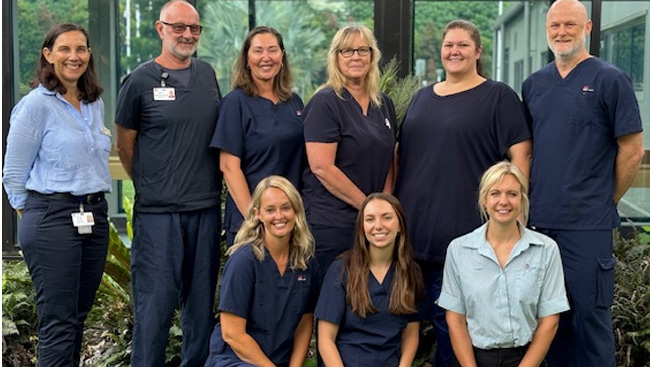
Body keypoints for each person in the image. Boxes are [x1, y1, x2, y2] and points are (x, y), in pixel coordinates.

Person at [393, 19, 532, 367]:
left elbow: (520, 158)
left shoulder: (498, 97)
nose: (454, 51)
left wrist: (516, 217)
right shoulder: (422, 97)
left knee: (452, 334)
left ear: (478, 51)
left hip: (464, 241)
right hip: (411, 239)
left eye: (463, 45)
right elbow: (401, 157)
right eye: (449, 45)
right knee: (401, 329)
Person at [521, 1, 644, 366]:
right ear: (547, 29)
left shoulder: (609, 79)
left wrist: (608, 199)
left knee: (590, 317)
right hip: (540, 223)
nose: (562, 32)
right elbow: (526, 152)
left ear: (587, 27)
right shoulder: (534, 85)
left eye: (570, 25)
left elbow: (633, 150)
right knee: (548, 320)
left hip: (587, 223)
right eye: (555, 25)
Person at [114, 1, 222, 366]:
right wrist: (152, 182)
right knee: (154, 309)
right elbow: (125, 144)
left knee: (200, 311)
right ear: (160, 29)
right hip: (159, 216)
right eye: (178, 27)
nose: (187, 34)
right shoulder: (139, 81)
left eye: (194, 28)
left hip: (205, 211)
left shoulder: (207, 75)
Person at [2, 23, 111, 367]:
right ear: (48, 55)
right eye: (64, 49)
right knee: (59, 323)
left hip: (94, 216)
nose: (74, 57)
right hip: (52, 219)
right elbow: (13, 175)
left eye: (81, 49)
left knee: (78, 317)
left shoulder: (94, 103)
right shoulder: (35, 106)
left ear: (89, 55)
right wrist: (38, 217)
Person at [438, 161, 570, 367]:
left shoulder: (545, 249)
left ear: (523, 200)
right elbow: (455, 319)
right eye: (495, 193)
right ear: (484, 200)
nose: (503, 201)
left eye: (512, 194)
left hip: (526, 359)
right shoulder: (459, 250)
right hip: (474, 359)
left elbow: (550, 320)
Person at [302, 25, 397, 274]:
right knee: (331, 302)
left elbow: (389, 157)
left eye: (362, 50)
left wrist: (383, 206)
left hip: (373, 225)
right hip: (332, 224)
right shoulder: (326, 102)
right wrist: (369, 206)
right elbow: (322, 167)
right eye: (347, 51)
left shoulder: (383, 103)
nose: (356, 56)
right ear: (336, 57)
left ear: (372, 56)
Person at [205, 175, 319, 367]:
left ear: (296, 210)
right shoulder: (244, 261)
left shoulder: (306, 262)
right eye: (270, 210)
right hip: (236, 360)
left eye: (285, 207)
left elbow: (305, 322)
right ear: (258, 214)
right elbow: (232, 333)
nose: (279, 216)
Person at [211, 26, 305, 246]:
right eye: (258, 51)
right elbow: (229, 167)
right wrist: (255, 221)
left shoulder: (295, 102)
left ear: (282, 57)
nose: (266, 58)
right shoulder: (235, 103)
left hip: (289, 221)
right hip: (252, 224)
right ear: (246, 59)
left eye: (272, 50)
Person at [315, 193, 424, 367]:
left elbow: (411, 333)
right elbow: (325, 339)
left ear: (400, 227)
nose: (378, 226)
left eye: (387, 218)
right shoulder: (341, 270)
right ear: (362, 228)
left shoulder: (411, 272)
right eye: (370, 219)